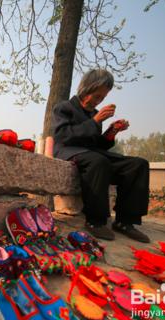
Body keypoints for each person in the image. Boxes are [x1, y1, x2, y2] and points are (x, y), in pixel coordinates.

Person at [52, 68, 150, 243]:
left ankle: (125, 221)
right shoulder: (64, 108)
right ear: (86, 89)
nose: (99, 101)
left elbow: (99, 145)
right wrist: (95, 121)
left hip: (92, 154)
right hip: (69, 152)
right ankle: (95, 221)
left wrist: (112, 131)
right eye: (97, 96)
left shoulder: (92, 114)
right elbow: (63, 136)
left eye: (102, 98)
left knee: (138, 165)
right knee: (99, 161)